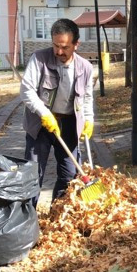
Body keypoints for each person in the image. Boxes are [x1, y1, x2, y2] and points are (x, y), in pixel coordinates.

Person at [20, 18, 95, 206]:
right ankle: (28, 223)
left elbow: (86, 97)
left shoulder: (85, 67)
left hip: (69, 124)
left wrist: (89, 119)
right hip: (40, 125)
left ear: (76, 44)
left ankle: (58, 216)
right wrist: (44, 113)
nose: (59, 51)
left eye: (64, 47)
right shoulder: (39, 59)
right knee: (33, 175)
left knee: (69, 175)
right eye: (55, 46)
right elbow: (26, 90)